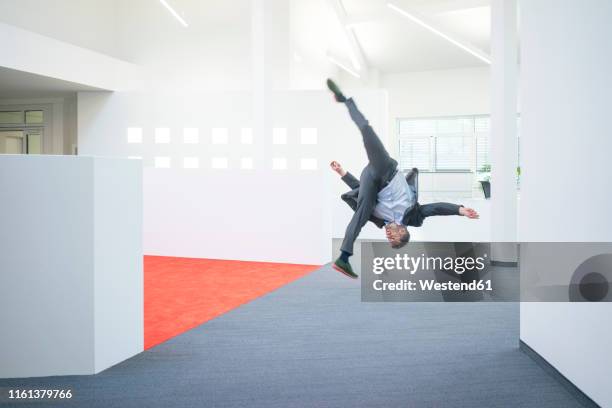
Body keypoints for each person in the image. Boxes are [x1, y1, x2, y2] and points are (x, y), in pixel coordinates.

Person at [327, 79, 479, 279]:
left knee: (361, 214)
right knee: (367, 131)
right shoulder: (414, 216)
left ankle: (343, 257)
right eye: (395, 239)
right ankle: (344, 100)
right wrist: (459, 210)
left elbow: (360, 189)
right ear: (404, 233)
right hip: (384, 169)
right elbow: (435, 209)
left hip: (370, 180)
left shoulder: (379, 218)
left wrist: (342, 173)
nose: (389, 237)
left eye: (390, 241)